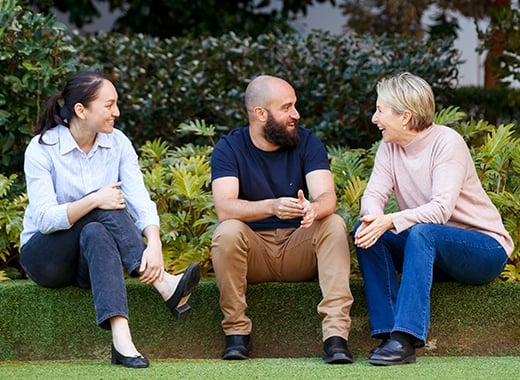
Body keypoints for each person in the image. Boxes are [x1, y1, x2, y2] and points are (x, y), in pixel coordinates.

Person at [19, 71, 201, 368]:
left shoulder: (117, 143)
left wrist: (153, 242)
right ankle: (166, 285)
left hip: (86, 263)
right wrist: (93, 200)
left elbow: (139, 197)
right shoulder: (42, 148)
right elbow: (43, 219)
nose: (116, 112)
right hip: (45, 258)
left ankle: (122, 340)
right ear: (81, 110)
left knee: (95, 231)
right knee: (101, 203)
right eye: (109, 105)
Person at [353, 72, 514, 366]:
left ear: (405, 116)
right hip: (430, 250)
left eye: (380, 110)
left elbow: (440, 210)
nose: (375, 118)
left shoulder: (446, 143)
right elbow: (373, 195)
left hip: (483, 250)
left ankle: (406, 337)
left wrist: (389, 221)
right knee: (365, 231)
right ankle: (389, 332)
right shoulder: (389, 147)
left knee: (422, 232)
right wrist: (374, 219)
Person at [210, 75, 354, 364]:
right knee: (227, 231)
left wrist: (315, 209)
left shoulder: (308, 142)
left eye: (295, 106)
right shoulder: (229, 148)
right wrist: (272, 206)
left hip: (299, 250)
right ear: (260, 114)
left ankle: (335, 338)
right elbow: (224, 208)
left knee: (333, 223)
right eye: (287, 107)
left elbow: (326, 195)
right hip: (255, 255)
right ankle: (237, 334)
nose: (296, 115)